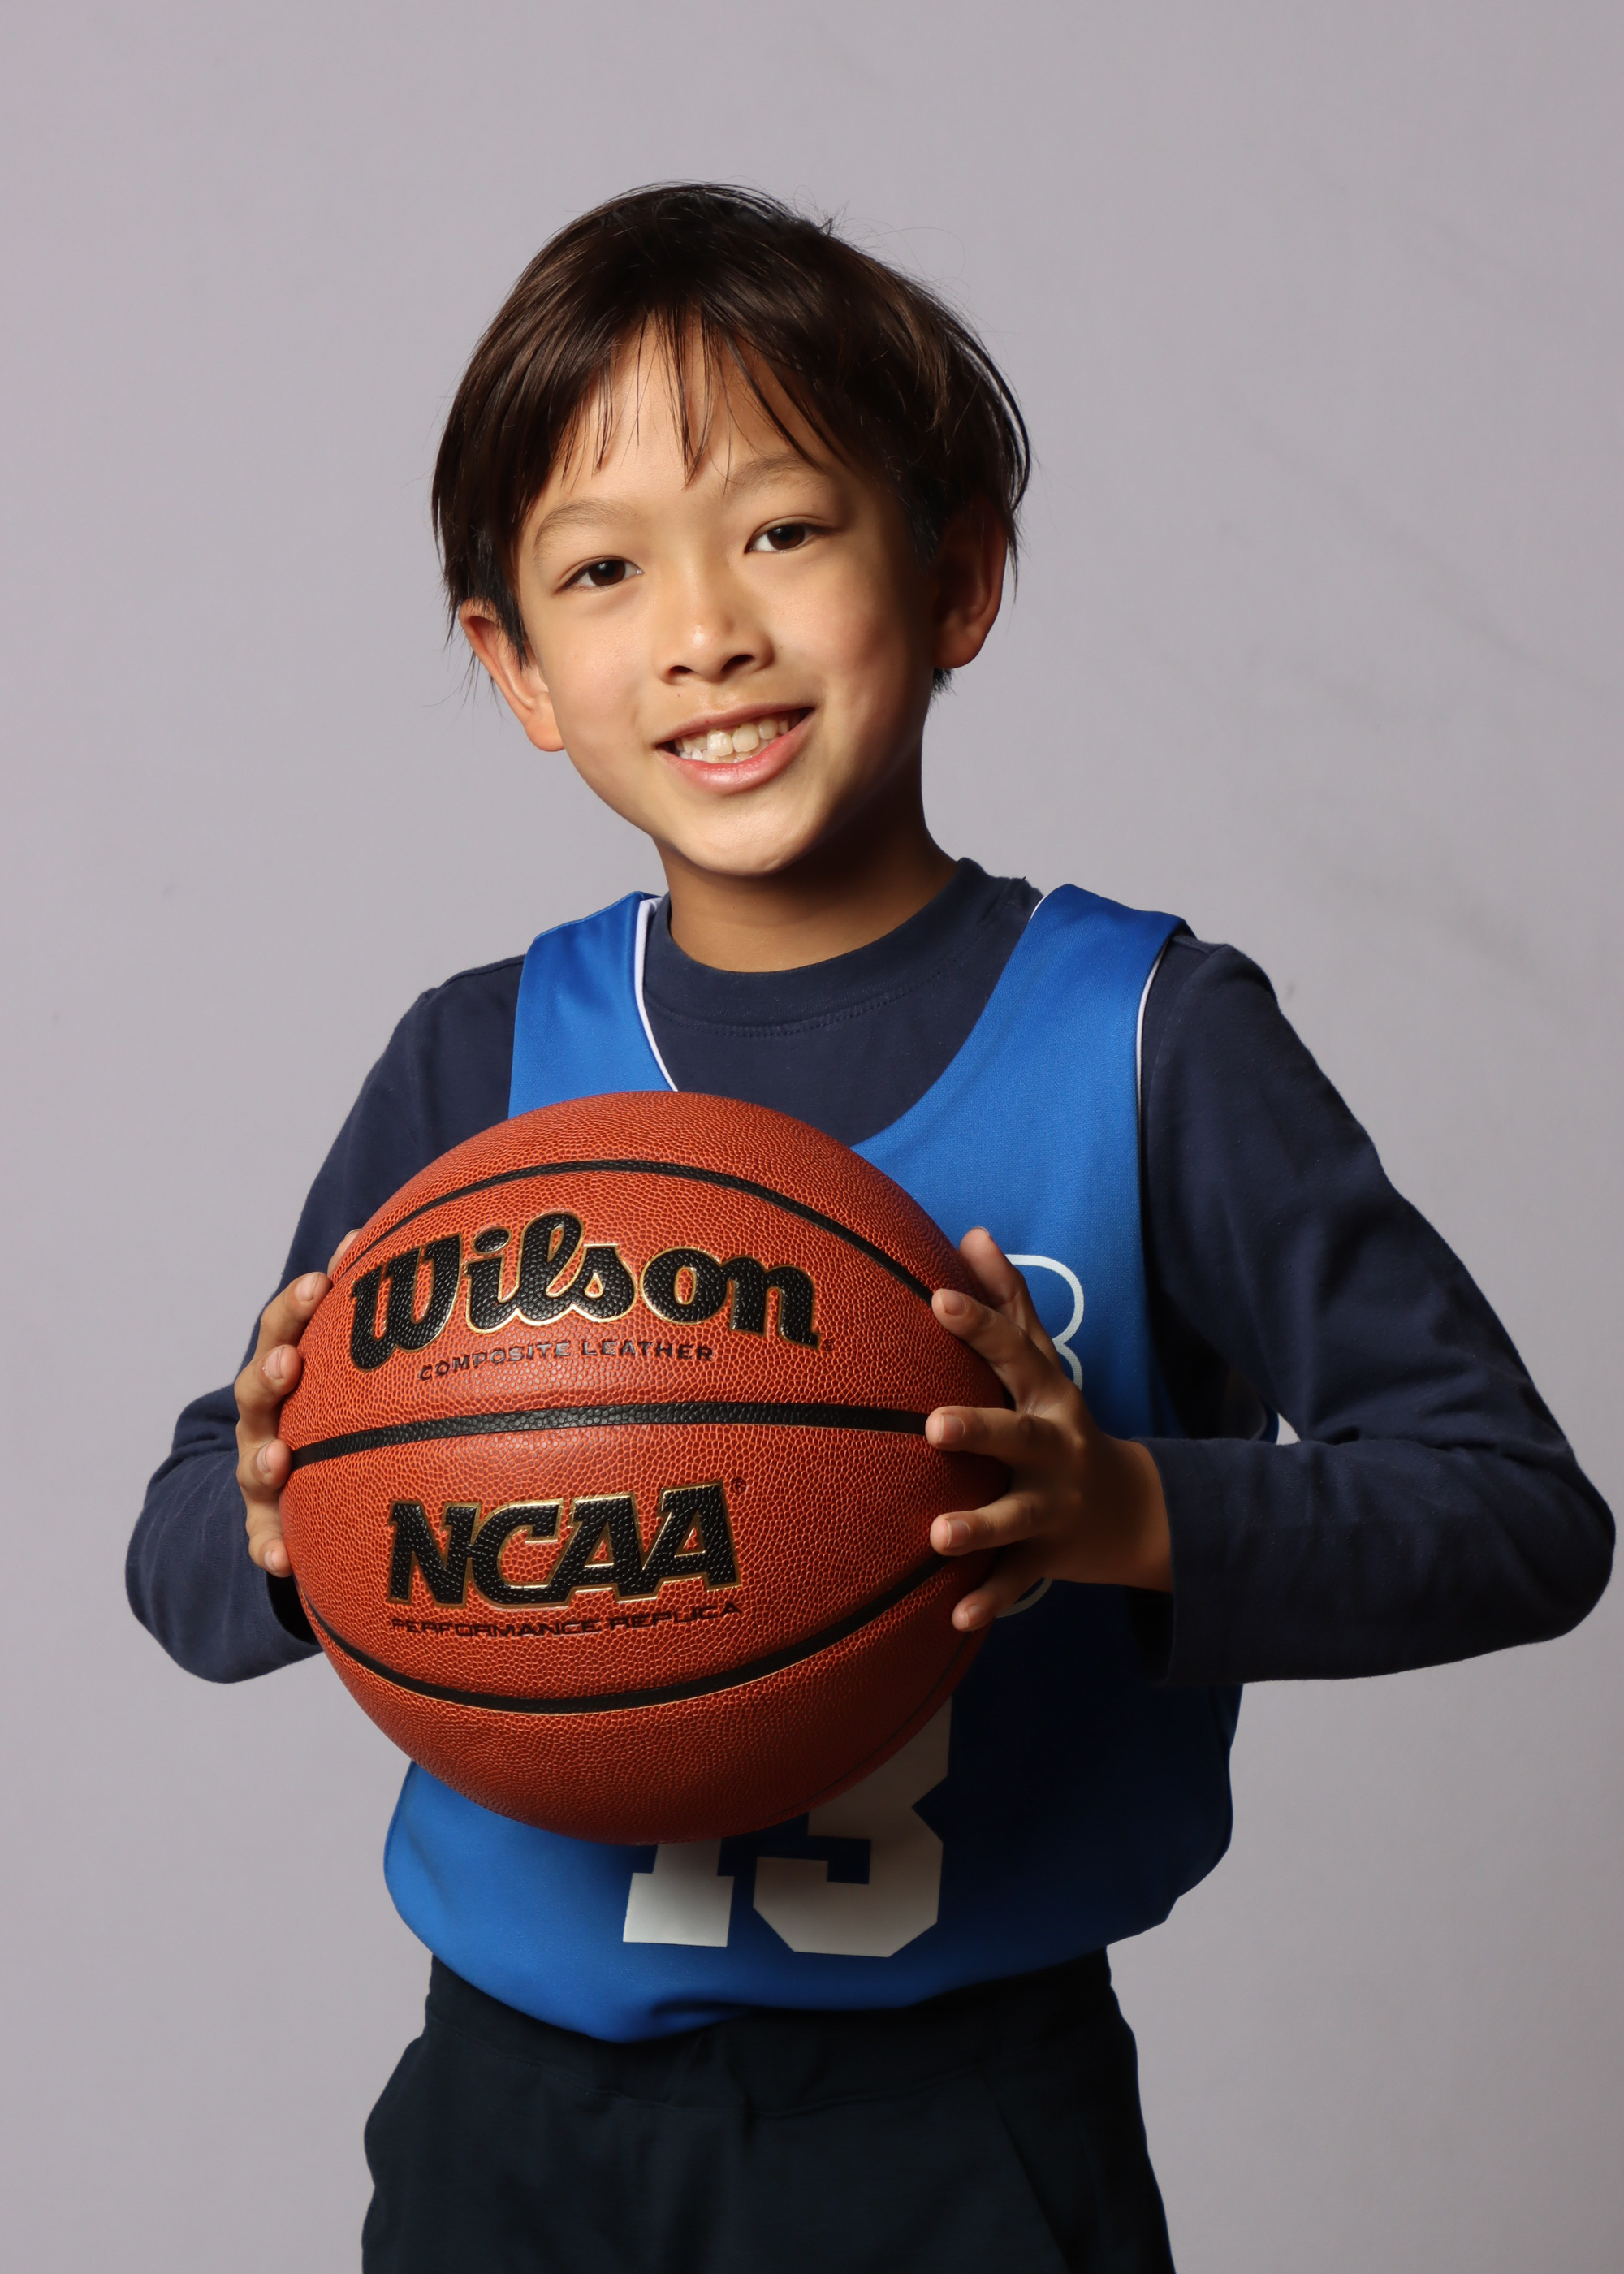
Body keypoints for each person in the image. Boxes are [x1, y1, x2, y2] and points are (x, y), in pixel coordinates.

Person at [127, 184, 1613, 2273]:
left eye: (783, 528)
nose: (703, 629)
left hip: (963, 2127)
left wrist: (1120, 1507)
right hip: (510, 2125)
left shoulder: (1147, 1036)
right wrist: (293, 1517)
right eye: (603, 569)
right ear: (517, 665)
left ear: (957, 573)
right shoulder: (482, 1064)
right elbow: (189, 1543)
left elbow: (1519, 1511)